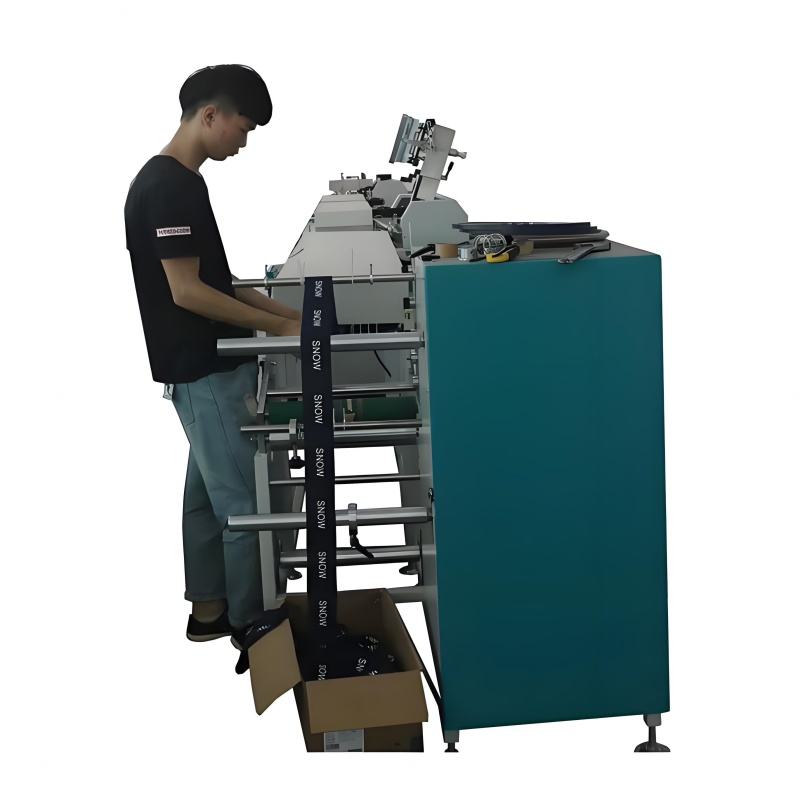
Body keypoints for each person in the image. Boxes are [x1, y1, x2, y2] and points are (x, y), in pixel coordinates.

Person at [124, 64, 300, 644]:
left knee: (204, 499)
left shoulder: (176, 182)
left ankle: (207, 611)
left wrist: (287, 316)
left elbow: (217, 283)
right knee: (245, 506)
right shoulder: (169, 186)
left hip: (201, 369)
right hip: (207, 370)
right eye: (242, 129)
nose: (243, 143)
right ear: (210, 115)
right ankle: (251, 623)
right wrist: (278, 328)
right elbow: (187, 292)